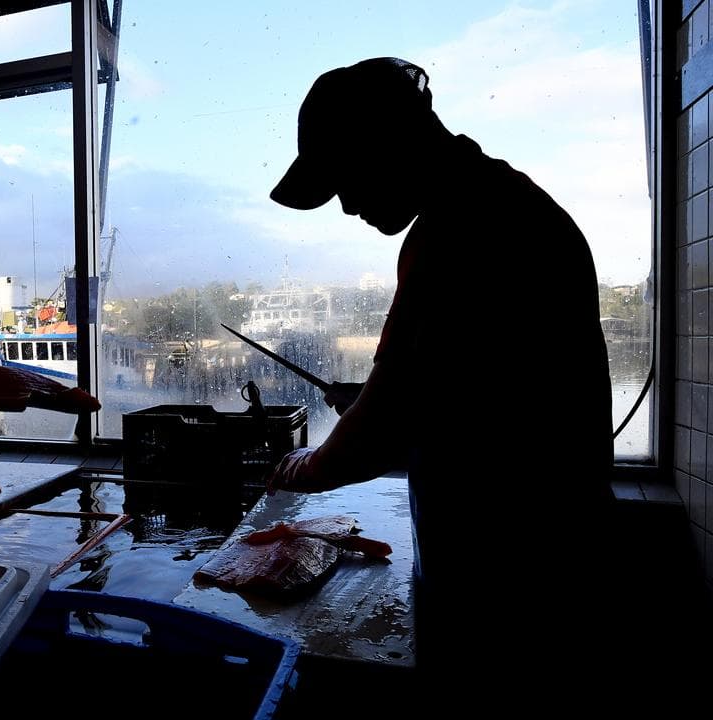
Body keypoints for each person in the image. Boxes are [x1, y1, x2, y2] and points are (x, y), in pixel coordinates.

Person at [265, 58, 621, 700]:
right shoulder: (503, 201)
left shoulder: (459, 228)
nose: (347, 205)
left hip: (511, 574)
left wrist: (305, 469)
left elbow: (392, 414)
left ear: (388, 141)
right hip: (542, 550)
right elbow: (463, 394)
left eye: (346, 177)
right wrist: (376, 408)